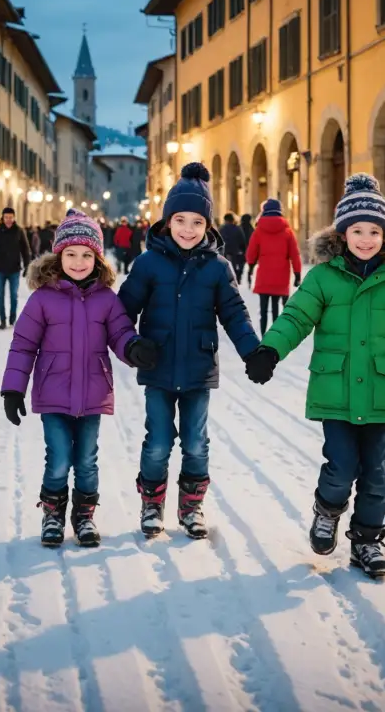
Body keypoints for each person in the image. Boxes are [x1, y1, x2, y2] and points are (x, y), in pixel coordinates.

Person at [245, 173, 385, 579]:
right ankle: (327, 510)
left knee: (375, 475)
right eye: (358, 230)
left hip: (379, 395)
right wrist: (270, 350)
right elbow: (296, 318)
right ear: (343, 233)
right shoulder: (323, 277)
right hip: (334, 392)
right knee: (340, 466)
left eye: (375, 231)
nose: (366, 238)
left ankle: (367, 542)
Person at [118, 162, 260, 540]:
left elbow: (234, 313)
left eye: (197, 223)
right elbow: (121, 313)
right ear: (166, 222)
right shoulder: (147, 263)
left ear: (208, 227)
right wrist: (132, 346)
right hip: (158, 366)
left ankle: (191, 506)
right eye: (180, 220)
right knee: (159, 442)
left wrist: (253, 352)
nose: (188, 229)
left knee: (196, 443)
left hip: (198, 369)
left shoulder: (218, 268)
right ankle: (151, 505)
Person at [0, 212, 157, 547]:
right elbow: (23, 345)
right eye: (71, 254)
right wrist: (13, 388)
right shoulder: (42, 298)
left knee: (86, 460)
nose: (79, 262)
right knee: (58, 459)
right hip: (53, 394)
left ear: (97, 259)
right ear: (58, 256)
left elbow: (120, 334)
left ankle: (84, 517)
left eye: (87, 255)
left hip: (92, 394)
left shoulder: (106, 299)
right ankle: (53, 515)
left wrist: (134, 348)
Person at [245, 199, 302, 336]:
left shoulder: (258, 231)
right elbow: (295, 254)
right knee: (276, 306)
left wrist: (251, 268)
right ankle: (275, 335)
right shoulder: (287, 232)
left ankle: (264, 334)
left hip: (264, 275)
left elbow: (251, 252)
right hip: (281, 275)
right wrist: (297, 274)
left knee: (263, 309)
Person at [0, 207, 32, 330]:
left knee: (13, 295)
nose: (8, 220)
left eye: (11, 217)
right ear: (3, 218)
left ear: (14, 217)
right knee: (0, 295)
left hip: (14, 269)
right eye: (6, 217)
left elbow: (25, 250)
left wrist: (27, 267)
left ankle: (12, 318)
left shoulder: (19, 231)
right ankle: (2, 320)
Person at [219, 212, 247, 284]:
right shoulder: (237, 228)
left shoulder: (221, 229)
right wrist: (243, 251)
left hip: (224, 252)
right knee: (234, 267)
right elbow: (242, 241)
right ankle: (235, 280)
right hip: (235, 252)